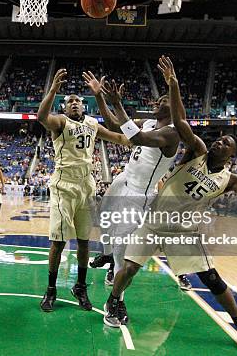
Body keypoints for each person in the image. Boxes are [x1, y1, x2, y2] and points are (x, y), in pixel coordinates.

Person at [102, 56, 237, 354]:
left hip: (183, 232)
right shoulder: (197, 151)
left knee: (212, 279)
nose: (218, 143)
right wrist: (173, 84)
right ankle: (113, 301)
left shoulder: (230, 179)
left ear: (231, 156)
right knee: (129, 269)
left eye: (226, 143)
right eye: (219, 140)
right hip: (153, 221)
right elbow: (180, 122)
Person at [81, 70, 190, 326]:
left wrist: (117, 102)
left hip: (139, 195)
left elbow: (136, 138)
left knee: (123, 252)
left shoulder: (172, 134)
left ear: (172, 107)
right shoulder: (148, 122)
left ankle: (117, 300)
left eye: (162, 101)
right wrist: (99, 97)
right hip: (123, 180)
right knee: (104, 220)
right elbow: (112, 124)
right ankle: (108, 258)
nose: (156, 103)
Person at [37, 68, 134, 312]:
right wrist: (52, 90)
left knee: (84, 242)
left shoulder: (92, 124)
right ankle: (51, 289)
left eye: (78, 101)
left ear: (84, 106)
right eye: (69, 101)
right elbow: (41, 117)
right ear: (65, 107)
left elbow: (120, 138)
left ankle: (80, 286)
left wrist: (143, 138)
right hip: (63, 186)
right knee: (58, 242)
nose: (74, 104)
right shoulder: (60, 122)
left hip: (86, 186)